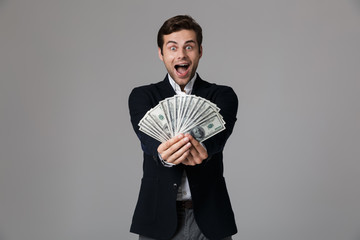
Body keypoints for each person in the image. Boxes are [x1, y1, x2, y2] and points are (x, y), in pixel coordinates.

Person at [128, 15, 238, 240]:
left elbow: (217, 138)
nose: (181, 55)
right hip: (157, 219)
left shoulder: (222, 95)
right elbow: (148, 141)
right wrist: (164, 155)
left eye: (189, 46)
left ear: (200, 51)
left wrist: (202, 150)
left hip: (211, 219)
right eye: (173, 47)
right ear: (161, 53)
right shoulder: (142, 96)